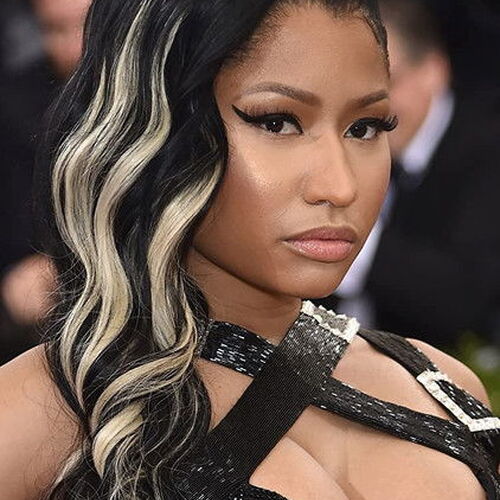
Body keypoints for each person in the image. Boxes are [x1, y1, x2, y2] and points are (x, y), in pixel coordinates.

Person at [0, 0, 498, 499]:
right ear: (153, 128)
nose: (340, 186)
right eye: (277, 122)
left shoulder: (441, 387)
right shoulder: (42, 414)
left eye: (365, 127)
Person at [332, 0, 500, 349]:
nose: (370, 111)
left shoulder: (488, 154)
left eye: (388, 83)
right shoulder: (338, 140)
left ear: (434, 72)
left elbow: (465, 301)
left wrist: (343, 236)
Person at [0, 0, 91, 363]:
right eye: (54, 30)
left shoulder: (175, 96)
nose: (72, 48)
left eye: (86, 25)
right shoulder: (14, 107)